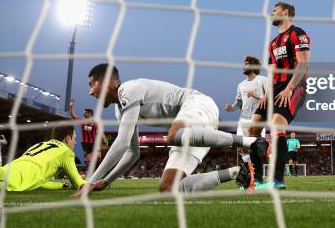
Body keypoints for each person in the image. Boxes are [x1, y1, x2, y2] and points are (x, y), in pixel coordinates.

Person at [74, 64, 262, 196]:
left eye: (92, 84)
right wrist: (105, 182)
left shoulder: (129, 90)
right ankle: (239, 172)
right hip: (190, 132)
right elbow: (132, 151)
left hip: (197, 104)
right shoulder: (120, 110)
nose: (90, 92)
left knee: (172, 134)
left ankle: (251, 142)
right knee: (168, 188)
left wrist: (91, 180)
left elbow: (121, 143)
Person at [249, 1, 311, 189]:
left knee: (276, 125)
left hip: (294, 85)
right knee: (253, 130)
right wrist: (267, 93)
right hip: (275, 88)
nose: (271, 13)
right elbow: (272, 71)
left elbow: (302, 65)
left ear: (285, 12)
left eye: (274, 10)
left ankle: (277, 180)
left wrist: (290, 88)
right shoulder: (273, 43)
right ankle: (258, 180)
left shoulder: (298, 33)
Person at [224, 55, 267, 166]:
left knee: (255, 147)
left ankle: (257, 174)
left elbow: (270, 99)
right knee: (242, 148)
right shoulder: (241, 85)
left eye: (246, 64)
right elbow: (238, 104)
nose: (243, 66)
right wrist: (231, 108)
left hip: (257, 119)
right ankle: (249, 173)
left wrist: (255, 95)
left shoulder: (262, 80)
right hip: (243, 119)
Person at [69, 101, 106, 170]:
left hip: (94, 143)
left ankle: (97, 171)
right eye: (84, 112)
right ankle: (89, 172)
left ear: (90, 114)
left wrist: (104, 139)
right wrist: (71, 107)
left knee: (98, 156)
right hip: (85, 143)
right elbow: (73, 116)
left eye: (85, 112)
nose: (83, 113)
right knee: (88, 158)